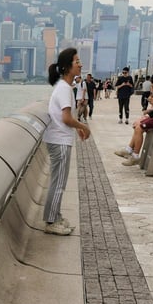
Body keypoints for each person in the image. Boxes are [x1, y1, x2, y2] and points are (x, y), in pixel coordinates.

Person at [43, 48, 91, 235]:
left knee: (59, 182)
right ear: (66, 66)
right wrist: (83, 127)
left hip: (59, 139)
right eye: (76, 61)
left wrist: (78, 127)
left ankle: (55, 215)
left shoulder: (65, 87)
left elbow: (66, 116)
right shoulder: (64, 88)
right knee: (59, 183)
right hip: (59, 140)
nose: (80, 64)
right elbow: (66, 118)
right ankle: (50, 221)